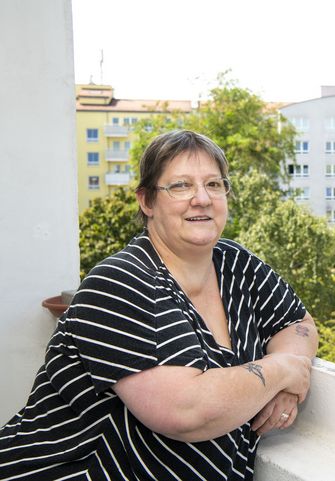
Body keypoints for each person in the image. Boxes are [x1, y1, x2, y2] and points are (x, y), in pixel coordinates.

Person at [0, 130, 318, 480]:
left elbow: (296, 322)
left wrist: (290, 381)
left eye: (214, 184)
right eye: (180, 186)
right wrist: (284, 370)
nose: (202, 198)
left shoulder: (236, 264)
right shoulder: (118, 282)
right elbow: (186, 411)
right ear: (147, 201)